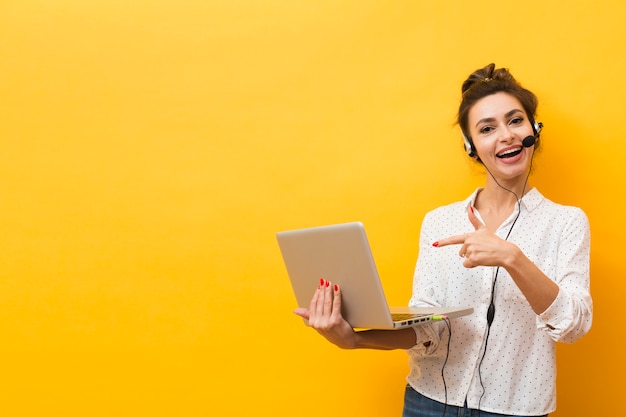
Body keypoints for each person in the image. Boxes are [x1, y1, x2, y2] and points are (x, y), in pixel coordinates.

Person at [294, 63, 592, 417]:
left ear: (534, 130)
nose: (507, 135)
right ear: (471, 146)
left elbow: (574, 325)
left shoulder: (566, 222)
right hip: (427, 402)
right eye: (487, 128)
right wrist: (354, 339)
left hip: (514, 409)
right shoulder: (439, 222)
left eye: (515, 121)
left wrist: (513, 258)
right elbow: (428, 331)